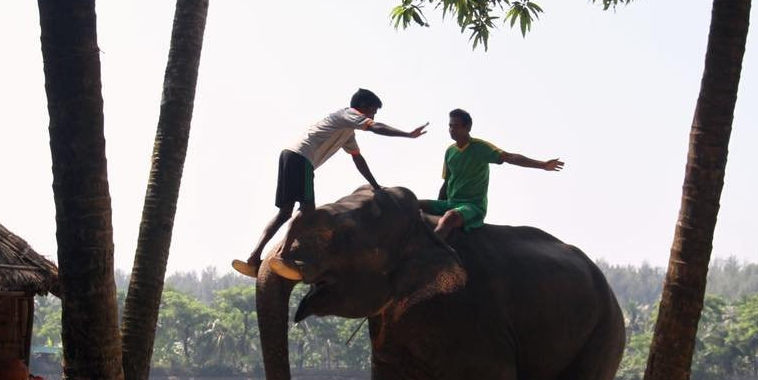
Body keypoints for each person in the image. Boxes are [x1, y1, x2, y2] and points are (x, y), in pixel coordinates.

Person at [232, 88, 428, 277]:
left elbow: (357, 159)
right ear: (361, 107)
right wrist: (407, 134)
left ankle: (253, 258)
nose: (373, 117)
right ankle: (283, 257)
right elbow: (375, 128)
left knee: (285, 212)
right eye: (372, 112)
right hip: (301, 158)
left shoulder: (347, 132)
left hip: (289, 155)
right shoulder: (348, 114)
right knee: (308, 209)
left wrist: (375, 186)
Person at [420, 108, 564, 239]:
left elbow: (509, 157)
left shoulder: (480, 147)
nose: (452, 130)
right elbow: (447, 182)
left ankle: (431, 253)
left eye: (456, 126)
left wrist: (543, 165)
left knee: (449, 217)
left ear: (468, 127)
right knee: (414, 204)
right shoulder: (450, 151)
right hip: (450, 203)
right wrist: (438, 206)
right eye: (450, 126)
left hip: (472, 207)